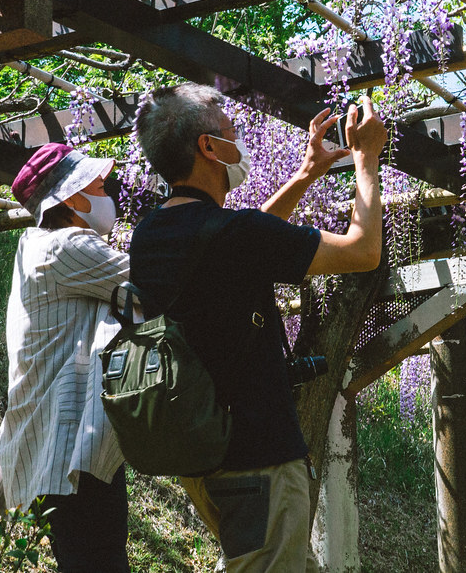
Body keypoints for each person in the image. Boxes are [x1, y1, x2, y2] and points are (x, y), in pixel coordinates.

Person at [129, 83, 385, 573]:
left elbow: (244, 246)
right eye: (231, 130)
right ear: (209, 148)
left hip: (202, 457)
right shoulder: (235, 234)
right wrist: (366, 159)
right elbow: (363, 250)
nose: (239, 138)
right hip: (258, 461)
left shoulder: (150, 234)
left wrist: (308, 172)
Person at [0, 143, 131, 573]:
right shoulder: (66, 247)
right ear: (74, 197)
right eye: (99, 185)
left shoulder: (34, 245)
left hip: (51, 446)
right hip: (68, 448)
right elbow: (156, 287)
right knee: (100, 559)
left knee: (87, 558)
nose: (108, 193)